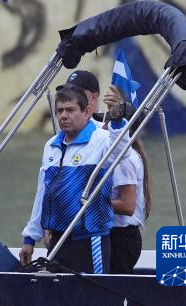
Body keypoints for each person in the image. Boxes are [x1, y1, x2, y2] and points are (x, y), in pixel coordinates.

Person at [20, 83, 130, 274]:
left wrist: (117, 119)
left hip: (91, 240)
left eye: (70, 110)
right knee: (58, 290)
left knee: (91, 292)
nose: (63, 115)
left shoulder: (102, 140)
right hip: (57, 240)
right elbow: (43, 194)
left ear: (87, 112)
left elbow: (122, 151)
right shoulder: (51, 145)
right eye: (60, 110)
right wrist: (30, 238)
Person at [109, 129, 151, 274]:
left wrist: (89, 204)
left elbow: (127, 206)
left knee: (113, 285)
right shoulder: (127, 155)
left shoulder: (124, 159)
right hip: (122, 236)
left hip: (121, 237)